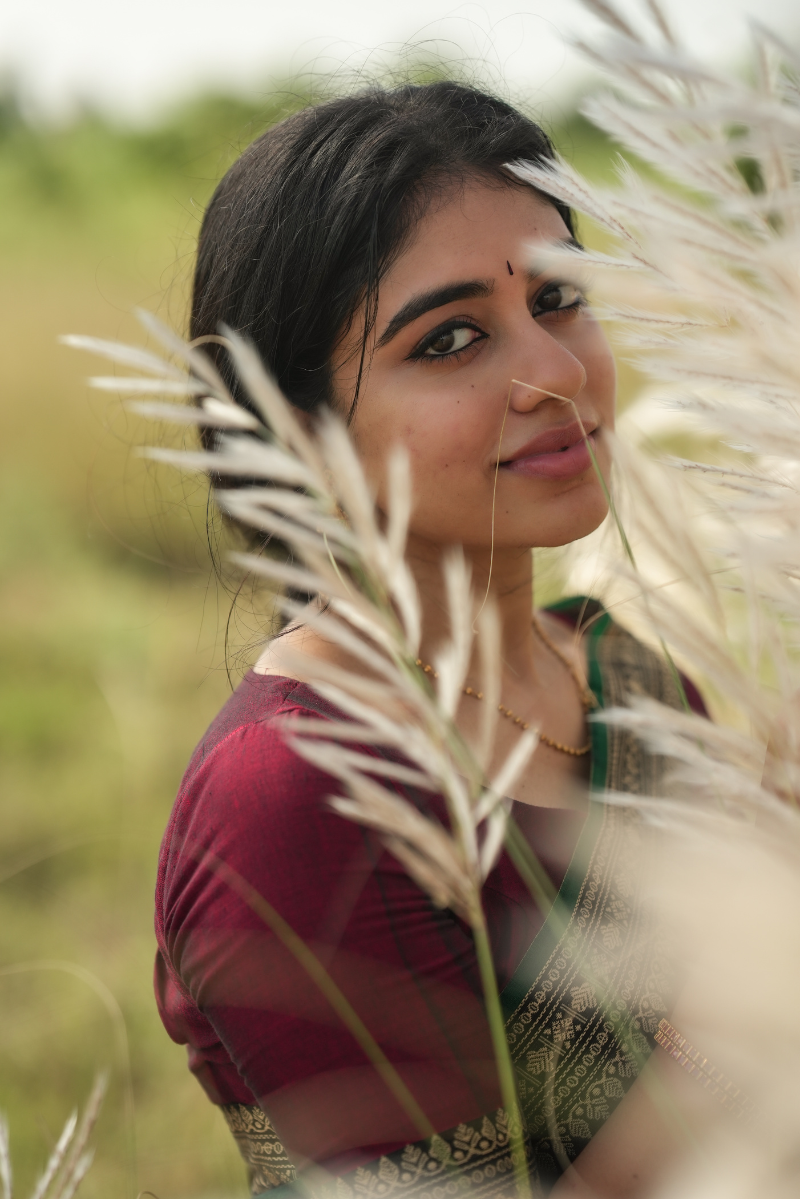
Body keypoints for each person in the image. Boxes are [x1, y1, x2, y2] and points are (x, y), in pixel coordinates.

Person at [154, 82, 712, 1198]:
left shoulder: (627, 678)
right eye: (450, 337)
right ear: (293, 431)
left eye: (559, 298)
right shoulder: (297, 796)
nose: (553, 373)